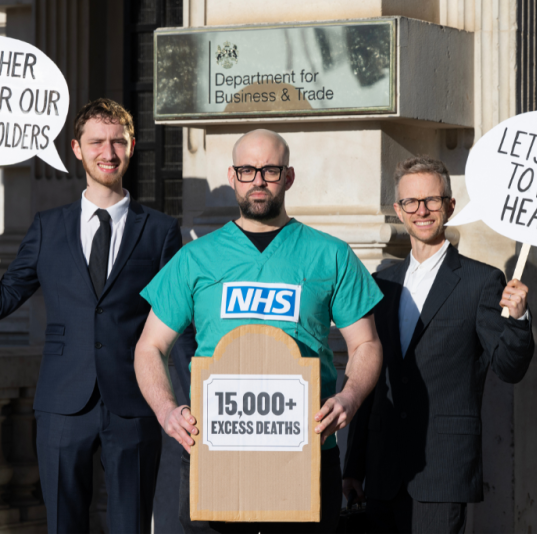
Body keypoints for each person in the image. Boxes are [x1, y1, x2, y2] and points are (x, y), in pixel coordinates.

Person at [0, 98, 195, 533]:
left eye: (118, 141)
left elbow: (177, 322)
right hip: (63, 405)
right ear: (77, 149)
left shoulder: (160, 230)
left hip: (135, 403)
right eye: (97, 142)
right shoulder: (48, 227)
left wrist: (191, 398)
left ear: (132, 146)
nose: (108, 152)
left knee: (131, 527)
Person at [133, 129, 384, 534]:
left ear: (288, 177)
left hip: (305, 450)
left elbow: (366, 343)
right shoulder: (196, 257)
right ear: (232, 176)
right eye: (248, 170)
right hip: (216, 451)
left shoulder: (330, 254)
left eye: (270, 169)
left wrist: (349, 399)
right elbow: (150, 347)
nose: (258, 180)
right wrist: (166, 410)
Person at [342, 156, 535, 534]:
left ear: (449, 206)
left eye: (432, 200)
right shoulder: (381, 284)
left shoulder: (482, 281)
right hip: (382, 473)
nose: (422, 210)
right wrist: (354, 467)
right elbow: (369, 378)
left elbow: (509, 368)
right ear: (398, 210)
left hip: (442, 469)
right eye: (411, 202)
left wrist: (520, 319)